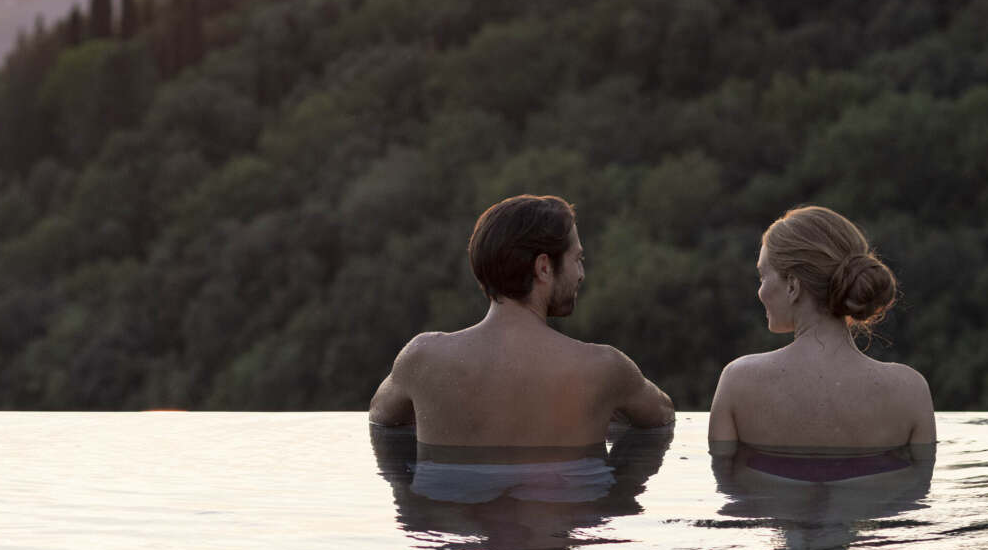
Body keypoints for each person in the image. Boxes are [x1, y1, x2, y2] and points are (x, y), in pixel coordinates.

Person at [369, 195, 674, 489]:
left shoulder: (421, 359)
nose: (581, 274)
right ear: (544, 267)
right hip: (566, 519)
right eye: (577, 259)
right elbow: (661, 417)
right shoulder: (604, 368)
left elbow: (381, 420)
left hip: (445, 521)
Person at [708, 205, 934, 477]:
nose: (760, 291)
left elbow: (728, 488)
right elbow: (917, 492)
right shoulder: (911, 391)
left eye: (762, 276)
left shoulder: (738, 382)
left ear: (792, 286)